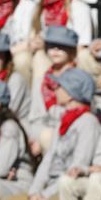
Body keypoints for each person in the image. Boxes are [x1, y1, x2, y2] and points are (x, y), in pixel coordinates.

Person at [0, 68, 98, 200]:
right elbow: (48, 159)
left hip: (64, 188)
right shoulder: (63, 120)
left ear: (71, 92)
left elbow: (77, 166)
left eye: (60, 86)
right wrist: (35, 192)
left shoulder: (88, 122)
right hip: (45, 189)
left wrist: (46, 194)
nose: (55, 90)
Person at [29, 0, 97, 83]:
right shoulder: (39, 9)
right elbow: (32, 39)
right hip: (47, 56)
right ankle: (39, 102)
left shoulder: (79, 7)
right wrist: (33, 44)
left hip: (71, 58)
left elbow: (82, 47)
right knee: (37, 57)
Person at [26, 26, 78, 156]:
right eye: (51, 46)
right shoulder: (41, 81)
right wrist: (37, 137)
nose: (55, 50)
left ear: (72, 51)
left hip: (71, 133)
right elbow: (35, 117)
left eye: (62, 47)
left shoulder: (79, 79)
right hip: (45, 131)